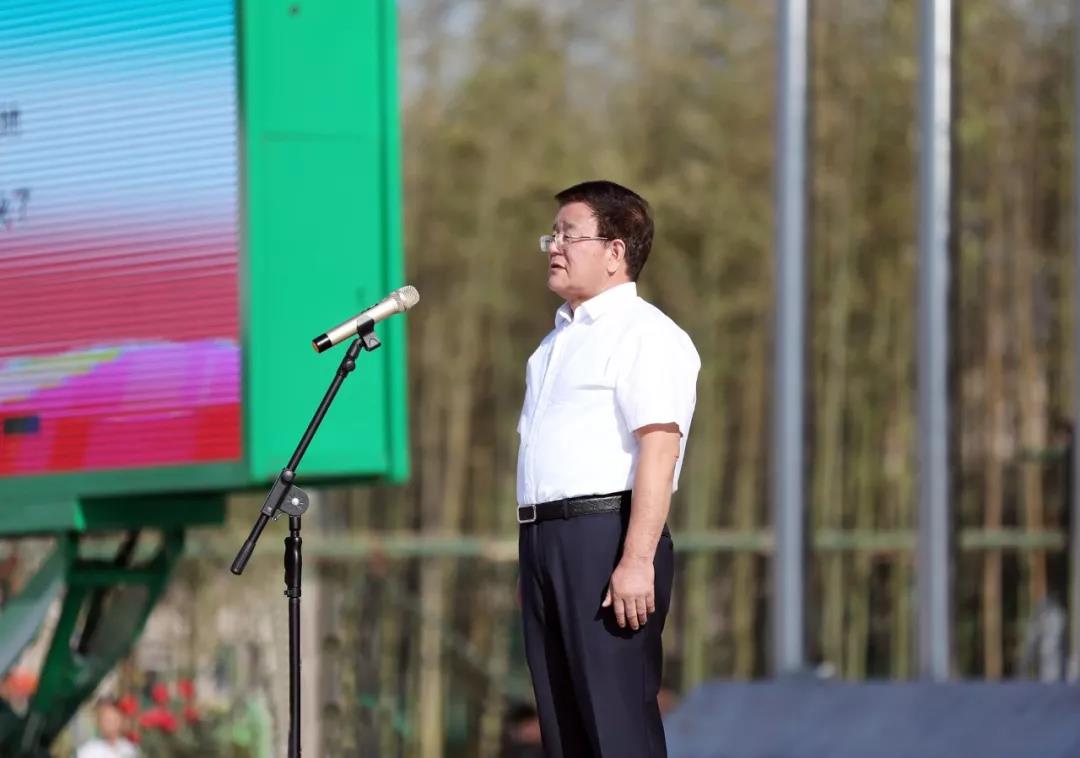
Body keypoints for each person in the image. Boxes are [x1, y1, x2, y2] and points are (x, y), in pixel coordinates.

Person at [516, 180, 700, 756]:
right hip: (543, 540)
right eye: (552, 235)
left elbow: (660, 449)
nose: (554, 247)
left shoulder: (647, 335)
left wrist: (637, 559)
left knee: (615, 728)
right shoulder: (550, 347)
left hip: (606, 537)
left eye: (569, 235)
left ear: (615, 251)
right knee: (563, 730)